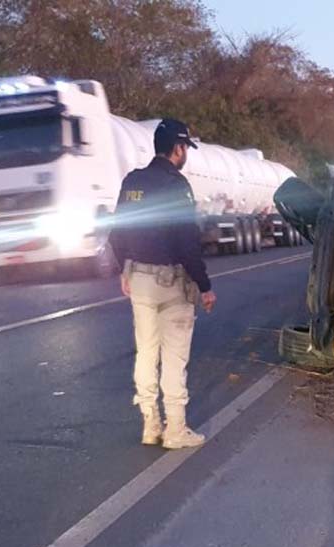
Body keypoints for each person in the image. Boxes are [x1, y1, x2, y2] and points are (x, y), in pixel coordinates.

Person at [108, 118, 217, 449]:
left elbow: (117, 233)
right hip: (171, 282)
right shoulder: (177, 185)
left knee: (146, 352)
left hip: (138, 279)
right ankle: (176, 430)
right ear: (178, 148)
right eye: (185, 148)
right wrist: (205, 284)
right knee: (174, 356)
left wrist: (124, 270)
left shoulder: (132, 182)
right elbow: (187, 242)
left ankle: (150, 425)